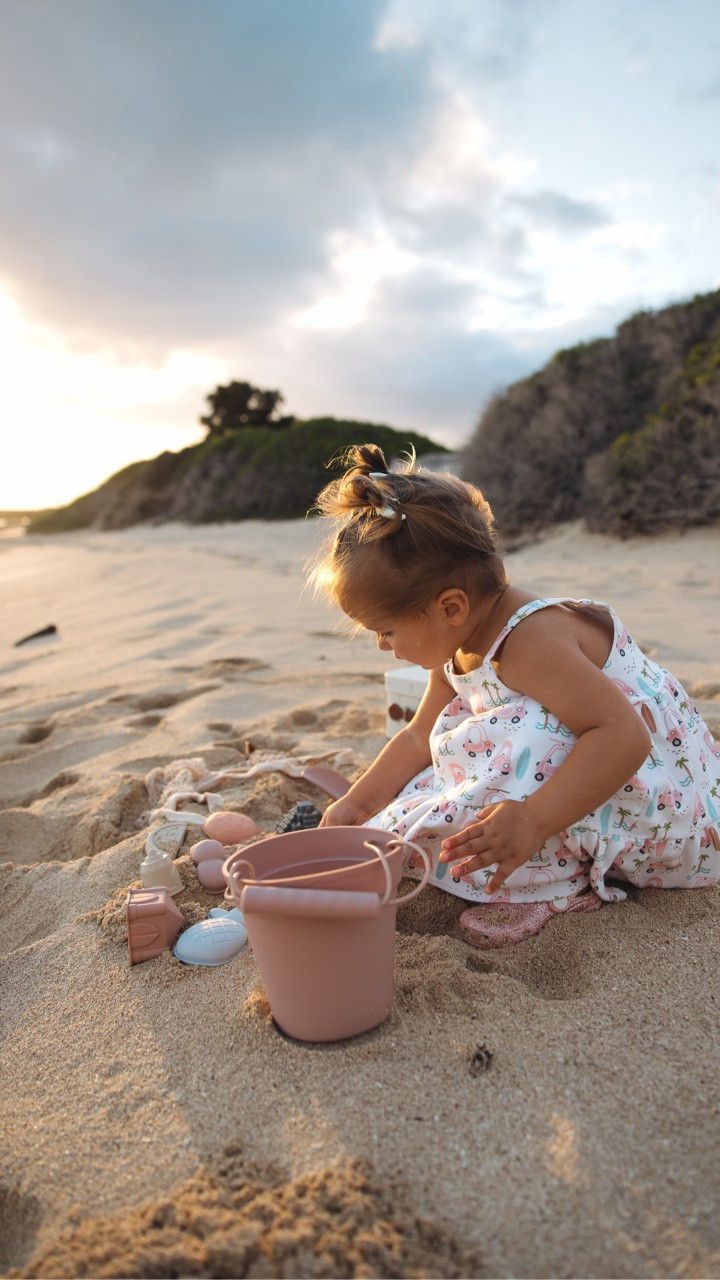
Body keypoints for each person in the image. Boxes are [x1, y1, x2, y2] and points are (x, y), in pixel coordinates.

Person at [309, 443, 720, 947]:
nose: (380, 644)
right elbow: (417, 737)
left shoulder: (531, 643)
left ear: (451, 607)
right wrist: (357, 802)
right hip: (601, 770)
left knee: (526, 739)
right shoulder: (457, 640)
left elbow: (624, 736)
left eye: (385, 630)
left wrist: (532, 820)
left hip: (660, 803)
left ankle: (554, 885)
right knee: (455, 750)